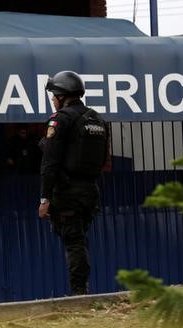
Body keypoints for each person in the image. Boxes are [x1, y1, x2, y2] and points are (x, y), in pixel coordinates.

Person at [38, 71, 109, 295]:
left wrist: (44, 198)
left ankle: (79, 294)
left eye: (53, 96)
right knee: (78, 239)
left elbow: (49, 163)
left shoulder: (61, 120)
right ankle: (81, 289)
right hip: (90, 192)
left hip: (67, 192)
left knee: (74, 242)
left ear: (62, 96)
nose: (52, 100)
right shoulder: (96, 119)